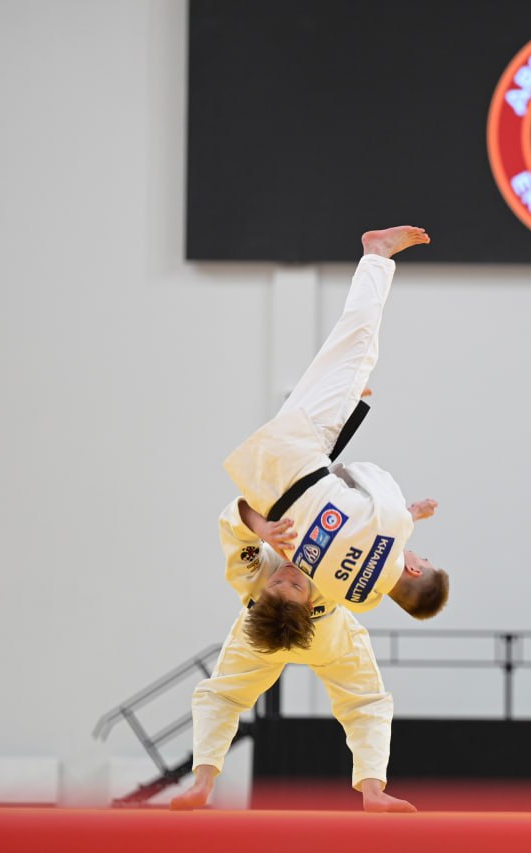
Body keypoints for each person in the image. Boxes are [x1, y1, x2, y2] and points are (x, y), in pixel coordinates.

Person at [222, 227, 449, 654]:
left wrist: (397, 514)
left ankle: (376, 255)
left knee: (358, 345)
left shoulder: (378, 558)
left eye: (424, 560)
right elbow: (353, 542)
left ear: (416, 570)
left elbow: (366, 474)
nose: (286, 578)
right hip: (266, 477)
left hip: (300, 458)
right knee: (353, 357)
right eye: (293, 586)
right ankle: (375, 260)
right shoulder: (350, 596)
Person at [169, 500, 427, 813]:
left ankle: (203, 782)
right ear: (308, 603)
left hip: (287, 635)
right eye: (290, 584)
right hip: (325, 635)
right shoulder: (333, 578)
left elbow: (235, 520)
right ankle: (373, 791)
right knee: (365, 704)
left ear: (263, 594)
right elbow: (374, 551)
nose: (287, 574)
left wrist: (260, 527)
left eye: (279, 582)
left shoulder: (250, 576)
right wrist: (409, 516)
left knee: (221, 697)